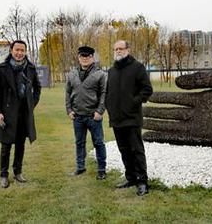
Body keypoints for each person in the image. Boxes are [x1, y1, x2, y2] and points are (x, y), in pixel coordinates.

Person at [105, 40, 153, 196]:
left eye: (120, 48)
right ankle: (130, 177)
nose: (118, 51)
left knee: (136, 150)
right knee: (124, 150)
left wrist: (134, 102)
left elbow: (147, 90)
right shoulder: (112, 71)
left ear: (127, 50)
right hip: (117, 119)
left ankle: (142, 181)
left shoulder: (137, 68)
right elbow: (108, 92)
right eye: (115, 49)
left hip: (132, 118)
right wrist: (109, 107)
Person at [0, 40, 41, 188]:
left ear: (25, 52)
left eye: (22, 50)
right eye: (17, 50)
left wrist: (31, 104)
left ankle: (18, 172)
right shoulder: (2, 68)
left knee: (20, 145)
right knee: (6, 146)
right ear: (11, 50)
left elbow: (38, 88)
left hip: (24, 114)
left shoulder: (31, 68)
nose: (19, 53)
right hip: (7, 113)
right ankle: (3, 175)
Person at [65, 46, 107, 180]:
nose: (85, 58)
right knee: (79, 143)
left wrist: (100, 111)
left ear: (92, 58)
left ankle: (101, 170)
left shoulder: (100, 74)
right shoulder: (72, 74)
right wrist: (69, 110)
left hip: (93, 116)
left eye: (88, 56)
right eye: (82, 56)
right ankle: (80, 167)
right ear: (78, 58)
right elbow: (67, 92)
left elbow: (104, 94)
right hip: (77, 116)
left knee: (98, 143)